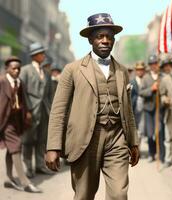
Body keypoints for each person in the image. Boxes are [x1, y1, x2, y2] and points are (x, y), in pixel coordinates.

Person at [45, 13, 139, 200]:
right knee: (84, 195)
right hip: (85, 139)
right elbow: (58, 110)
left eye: (109, 37)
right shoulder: (72, 69)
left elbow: (128, 110)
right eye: (99, 36)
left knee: (119, 194)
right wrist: (53, 147)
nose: (105, 41)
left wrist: (133, 141)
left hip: (117, 139)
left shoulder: (122, 71)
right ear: (90, 40)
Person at [0, 56, 41, 193]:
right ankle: (25, 183)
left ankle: (9, 178)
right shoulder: (1, 81)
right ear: (7, 69)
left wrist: (27, 112)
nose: (17, 71)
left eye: (18, 68)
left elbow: (23, 99)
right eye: (13, 68)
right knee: (16, 145)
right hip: (4, 121)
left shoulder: (20, 82)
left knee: (11, 149)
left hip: (16, 120)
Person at [20, 42, 53, 178]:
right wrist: (26, 110)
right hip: (30, 110)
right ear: (34, 56)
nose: (43, 55)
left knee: (42, 139)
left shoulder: (46, 72)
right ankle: (28, 167)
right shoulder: (25, 70)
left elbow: (49, 93)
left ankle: (40, 165)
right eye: (41, 53)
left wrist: (50, 109)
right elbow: (21, 92)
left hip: (44, 110)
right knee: (28, 140)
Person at [139, 54, 165, 164]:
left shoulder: (162, 76)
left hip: (159, 109)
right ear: (149, 66)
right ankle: (151, 153)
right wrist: (152, 89)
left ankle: (161, 155)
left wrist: (161, 90)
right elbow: (141, 92)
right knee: (150, 134)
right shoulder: (145, 77)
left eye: (155, 63)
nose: (153, 66)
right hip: (148, 109)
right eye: (151, 64)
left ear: (158, 64)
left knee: (159, 132)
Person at [131, 61, 146, 150]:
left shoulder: (146, 80)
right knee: (133, 130)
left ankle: (138, 148)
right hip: (134, 108)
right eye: (138, 70)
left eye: (141, 70)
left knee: (141, 130)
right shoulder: (132, 81)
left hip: (144, 108)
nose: (140, 71)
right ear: (136, 71)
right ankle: (133, 149)